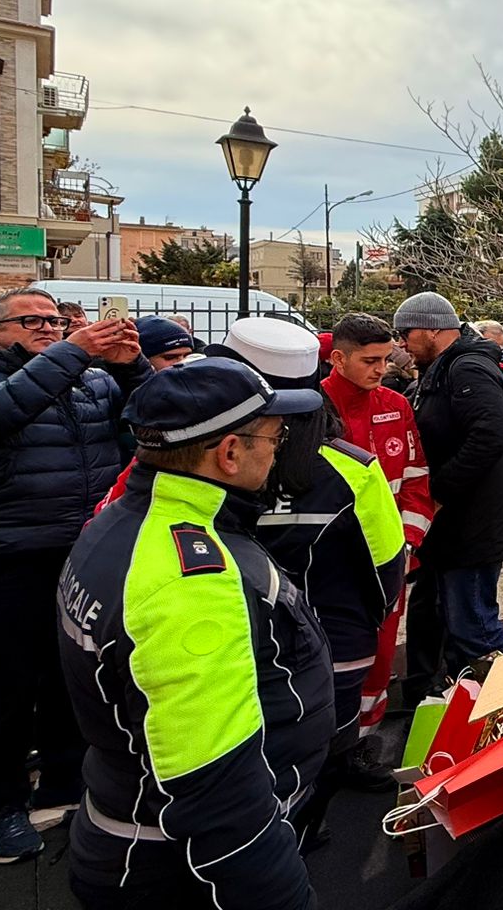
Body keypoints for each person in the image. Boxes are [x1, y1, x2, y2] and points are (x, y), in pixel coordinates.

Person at [56, 358, 330, 909]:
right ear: (229, 452)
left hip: (134, 829)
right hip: (176, 865)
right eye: (274, 438)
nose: (278, 450)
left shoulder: (129, 520)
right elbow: (218, 792)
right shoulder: (190, 581)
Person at [0, 286, 147, 864]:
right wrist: (69, 353)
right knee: (10, 690)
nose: (49, 328)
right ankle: (3, 809)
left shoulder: (86, 378)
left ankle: (68, 783)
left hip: (81, 551)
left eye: (55, 319)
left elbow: (154, 417)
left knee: (74, 676)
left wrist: (133, 366)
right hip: (4, 557)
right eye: (32, 321)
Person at [209, 318, 405, 845]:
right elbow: (387, 570)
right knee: (317, 744)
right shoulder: (351, 469)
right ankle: (298, 826)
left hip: (230, 648)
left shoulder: (196, 461)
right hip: (333, 643)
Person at [396, 292, 503, 665]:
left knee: (474, 626)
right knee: (458, 619)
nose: (402, 342)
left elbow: (489, 434)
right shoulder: (444, 366)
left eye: (407, 332)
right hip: (464, 517)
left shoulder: (466, 367)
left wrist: (438, 493)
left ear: (433, 329)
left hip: (475, 518)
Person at [323, 313, 435, 725]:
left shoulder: (396, 404)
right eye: (370, 360)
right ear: (338, 358)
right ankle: (334, 741)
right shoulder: (316, 409)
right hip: (335, 562)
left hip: (390, 557)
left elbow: (417, 479)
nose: (381, 369)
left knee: (383, 650)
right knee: (338, 654)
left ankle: (366, 739)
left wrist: (406, 542)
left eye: (386, 359)